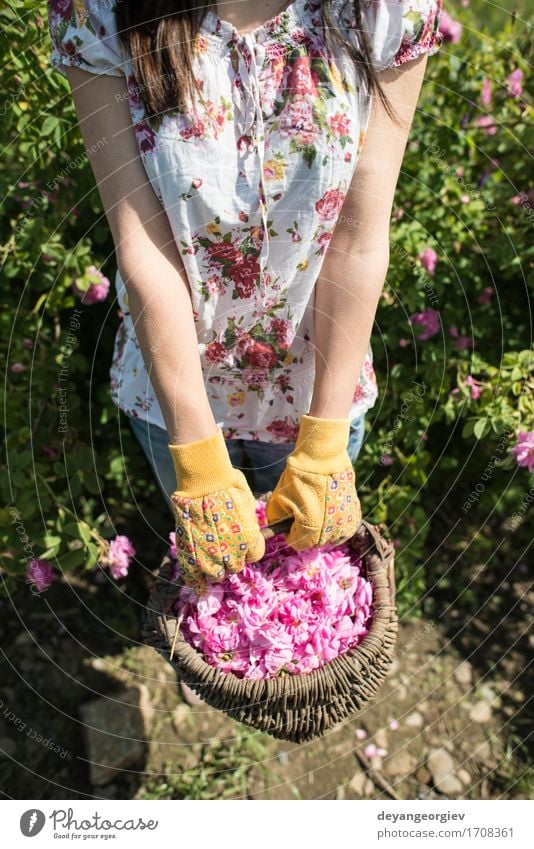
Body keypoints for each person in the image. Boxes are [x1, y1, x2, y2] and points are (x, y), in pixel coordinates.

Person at [46, 0, 443, 591]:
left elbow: (360, 238)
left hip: (318, 395)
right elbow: (141, 242)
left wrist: (326, 442)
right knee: (221, 591)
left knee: (298, 594)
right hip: (177, 402)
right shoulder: (99, 10)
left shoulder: (384, 9)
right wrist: (198, 459)